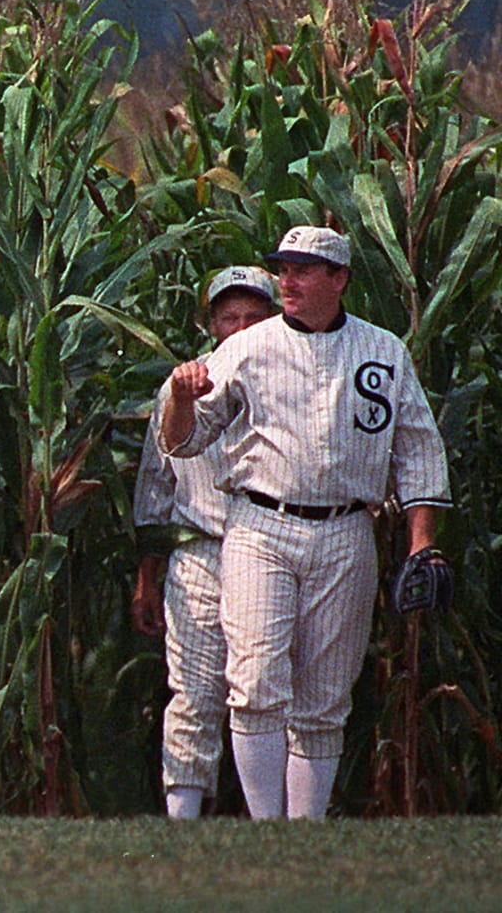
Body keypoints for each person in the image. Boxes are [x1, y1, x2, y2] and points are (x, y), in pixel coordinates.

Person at [159, 226, 448, 820]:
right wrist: (183, 400)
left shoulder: (383, 350)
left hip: (347, 529)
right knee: (257, 683)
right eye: (283, 270)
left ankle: (306, 832)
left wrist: (423, 545)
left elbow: (418, 451)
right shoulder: (246, 347)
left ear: (339, 279)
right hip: (260, 525)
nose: (287, 281)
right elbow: (184, 443)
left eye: (303, 270)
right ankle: (270, 833)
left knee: (323, 698)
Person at [131, 266, 278, 820]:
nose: (240, 327)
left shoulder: (289, 378)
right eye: (228, 316)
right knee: (192, 689)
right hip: (199, 549)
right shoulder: (180, 387)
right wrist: (147, 575)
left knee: (263, 688)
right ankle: (183, 818)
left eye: (253, 316)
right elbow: (155, 487)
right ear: (210, 320)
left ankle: (274, 817)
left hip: (270, 545)